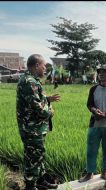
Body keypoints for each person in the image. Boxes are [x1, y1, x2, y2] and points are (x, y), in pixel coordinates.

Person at [16, 54, 60, 190]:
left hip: (36, 128)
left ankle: (40, 181)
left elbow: (36, 99)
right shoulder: (29, 82)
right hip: (31, 128)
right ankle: (30, 185)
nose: (45, 69)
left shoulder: (31, 80)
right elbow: (39, 109)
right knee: (33, 157)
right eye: (43, 66)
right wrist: (50, 111)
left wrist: (47, 99)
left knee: (38, 154)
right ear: (36, 65)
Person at [79, 64, 106, 183]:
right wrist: (94, 111)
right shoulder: (93, 89)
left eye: (104, 72)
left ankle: (104, 172)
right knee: (91, 149)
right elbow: (89, 104)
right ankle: (89, 173)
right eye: (100, 72)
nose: (101, 74)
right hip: (95, 124)